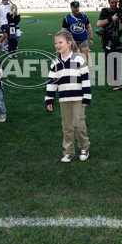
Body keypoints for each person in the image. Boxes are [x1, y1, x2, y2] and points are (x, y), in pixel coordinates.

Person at [45, 30, 91, 163]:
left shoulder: (78, 59)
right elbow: (51, 82)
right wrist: (49, 98)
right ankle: (69, 151)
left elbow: (85, 79)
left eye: (60, 42)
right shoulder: (55, 63)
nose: (57, 45)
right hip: (64, 99)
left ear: (69, 43)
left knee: (79, 124)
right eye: (55, 43)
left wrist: (87, 96)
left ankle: (84, 147)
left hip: (78, 99)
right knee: (67, 127)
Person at [96, 0, 122, 90]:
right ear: (109, 2)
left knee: (117, 61)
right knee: (110, 60)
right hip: (107, 39)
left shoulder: (119, 10)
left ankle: (114, 80)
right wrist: (111, 19)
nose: (114, 4)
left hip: (117, 39)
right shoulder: (105, 11)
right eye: (112, 2)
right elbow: (98, 24)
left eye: (116, 2)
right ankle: (114, 83)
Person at [62, 1, 94, 68]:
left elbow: (89, 27)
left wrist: (91, 38)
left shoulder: (84, 16)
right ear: (71, 8)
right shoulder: (67, 18)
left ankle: (87, 70)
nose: (76, 9)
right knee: (73, 57)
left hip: (83, 39)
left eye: (77, 7)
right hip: (72, 41)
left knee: (86, 55)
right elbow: (64, 31)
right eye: (74, 7)